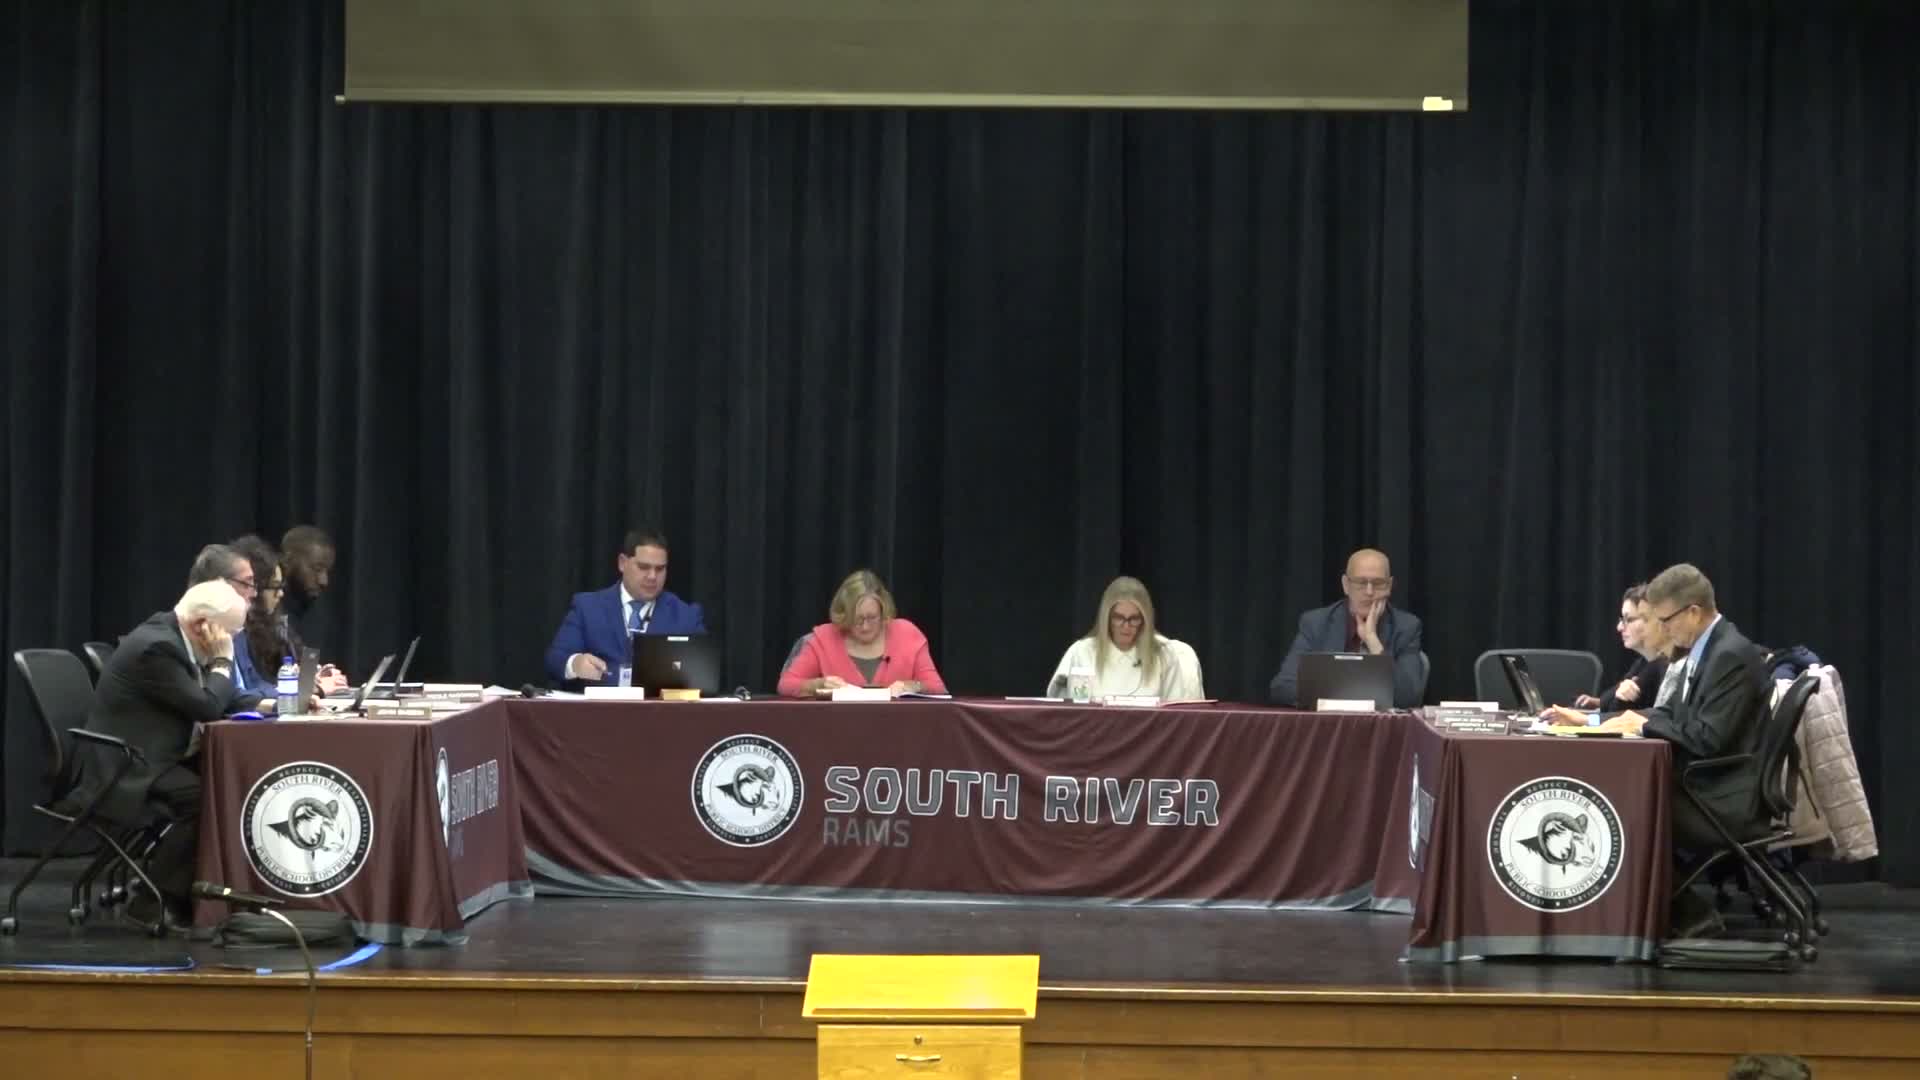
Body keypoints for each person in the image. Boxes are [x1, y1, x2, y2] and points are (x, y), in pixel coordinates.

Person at [1545, 563, 1770, 936]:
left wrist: (1643, 725)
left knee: (1620, 804)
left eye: (1665, 620)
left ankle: (1688, 916)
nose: (1663, 630)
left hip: (1724, 797)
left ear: (1693, 612)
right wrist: (1599, 722)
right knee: (1616, 793)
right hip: (1705, 785)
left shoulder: (1728, 655)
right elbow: (1671, 715)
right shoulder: (1707, 649)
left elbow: (1707, 738)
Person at [67, 580, 249, 927]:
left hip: (157, 754)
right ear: (203, 626)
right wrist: (223, 661)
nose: (232, 642)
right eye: (230, 633)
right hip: (126, 766)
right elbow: (208, 706)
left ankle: (199, 893)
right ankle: (152, 901)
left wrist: (277, 703)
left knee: (227, 783)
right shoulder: (157, 648)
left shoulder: (179, 639)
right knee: (203, 798)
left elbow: (222, 697)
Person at [545, 527, 707, 686]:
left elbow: (704, 672)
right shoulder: (588, 608)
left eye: (660, 569)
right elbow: (555, 660)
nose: (652, 576)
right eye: (643, 567)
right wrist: (575, 664)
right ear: (622, 563)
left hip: (657, 703)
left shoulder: (685, 616)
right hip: (601, 703)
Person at [1268, 548, 1425, 707]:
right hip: (1329, 720)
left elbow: (1408, 697)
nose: (1369, 592)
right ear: (1346, 585)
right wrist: (1344, 700)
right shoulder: (1316, 623)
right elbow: (1283, 687)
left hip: (1380, 723)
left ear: (1389, 586)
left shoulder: (1406, 627)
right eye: (1361, 583)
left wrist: (1372, 641)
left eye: (1378, 584)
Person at [778, 570, 945, 698]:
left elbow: (938, 688)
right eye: (857, 620)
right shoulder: (823, 639)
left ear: (883, 612)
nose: (865, 627)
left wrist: (912, 686)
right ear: (843, 615)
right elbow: (786, 685)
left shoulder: (908, 635)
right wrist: (817, 685)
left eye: (872, 618)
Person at [1045, 576, 1205, 702]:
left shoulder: (1166, 653)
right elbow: (1065, 713)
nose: (1126, 626)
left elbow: (1176, 714)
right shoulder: (1082, 652)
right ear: (1106, 618)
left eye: (1134, 619)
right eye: (1119, 618)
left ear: (1145, 620)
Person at [1574, 584, 1669, 710]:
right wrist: (1597, 704)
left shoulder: (1664, 668)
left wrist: (1586, 719)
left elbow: (1621, 715)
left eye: (1628, 619)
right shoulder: (1643, 663)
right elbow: (1609, 700)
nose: (1619, 627)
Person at [281, 524, 347, 685]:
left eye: (326, 571)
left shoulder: (312, 617)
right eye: (316, 569)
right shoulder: (266, 615)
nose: (324, 581)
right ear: (288, 562)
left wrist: (318, 676)